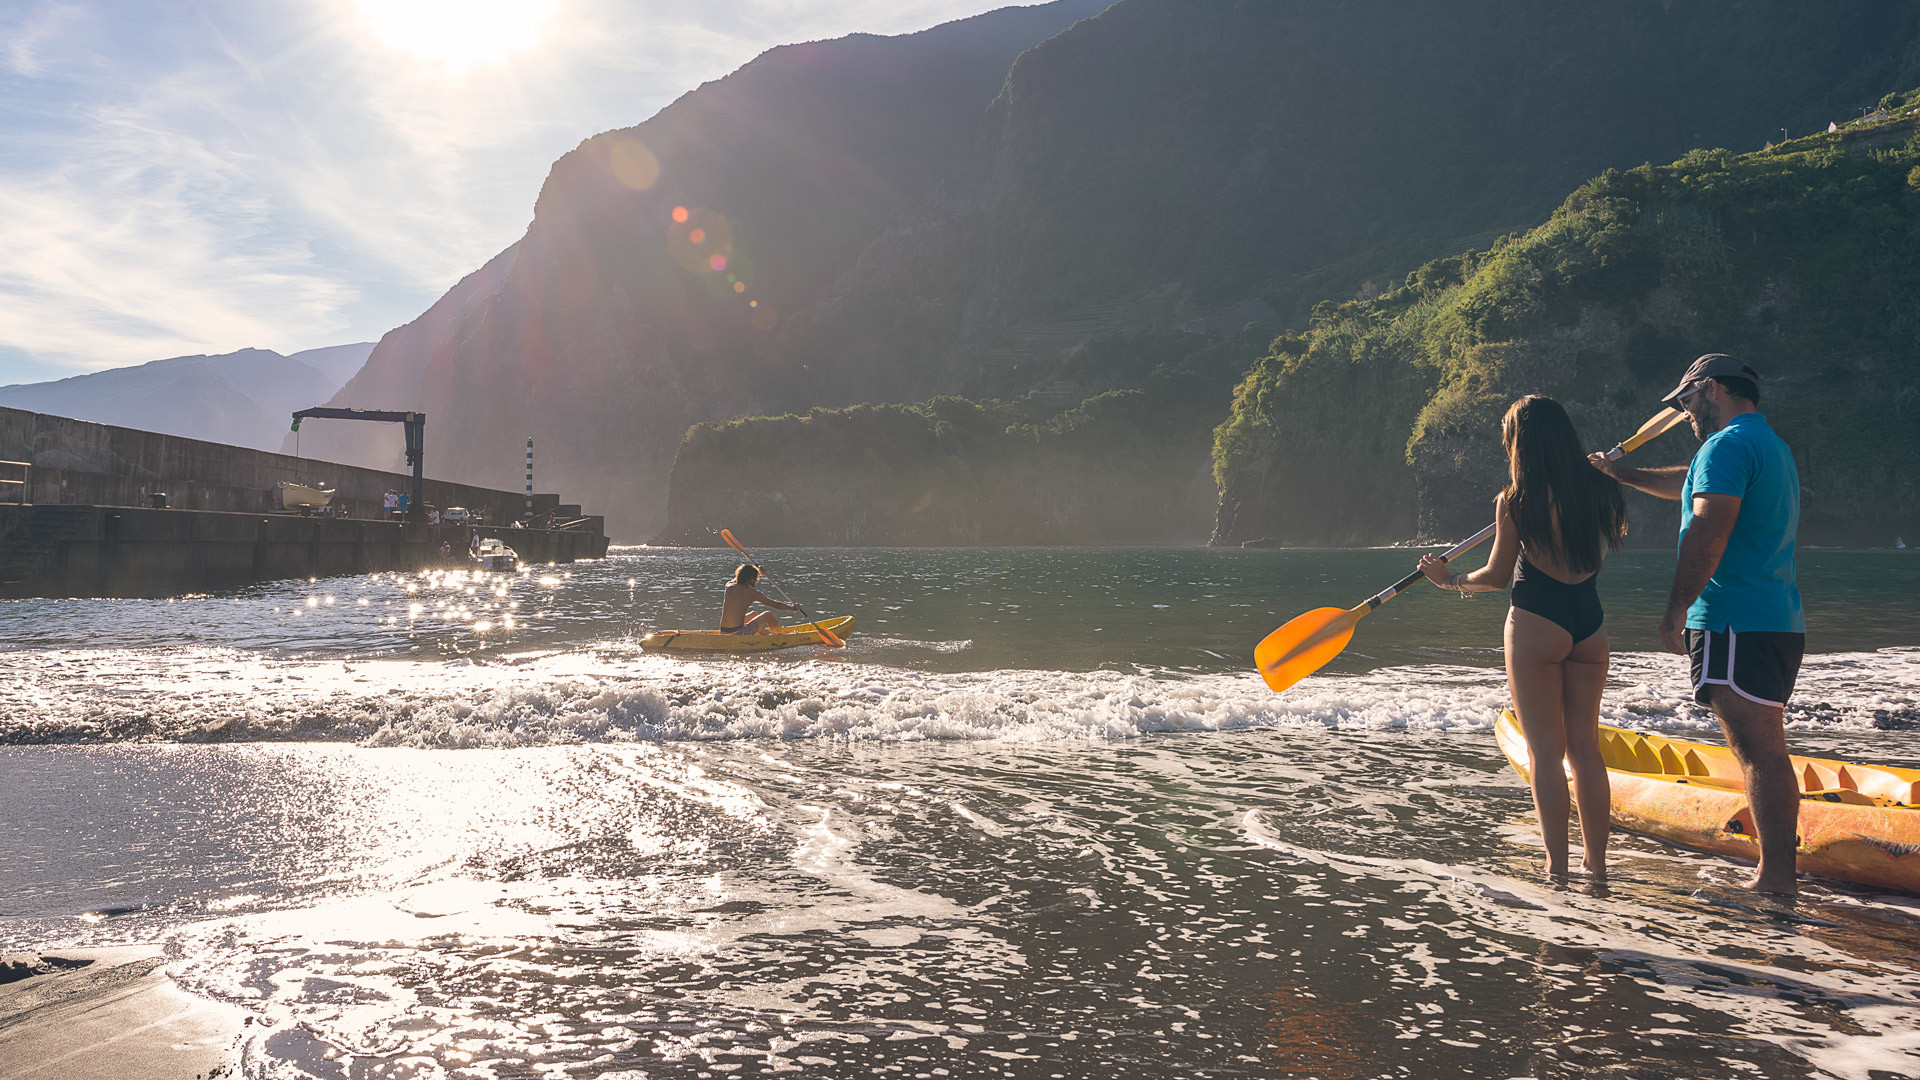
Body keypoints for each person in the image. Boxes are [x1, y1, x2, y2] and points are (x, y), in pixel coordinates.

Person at [1589, 354, 1804, 895]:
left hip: (1734, 618)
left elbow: (1707, 526)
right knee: (1765, 746)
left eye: (1685, 401)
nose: (1683, 413)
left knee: (1758, 752)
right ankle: (1778, 871)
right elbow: (1690, 484)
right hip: (1777, 618)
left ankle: (1775, 878)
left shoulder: (1725, 446)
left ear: (1709, 390)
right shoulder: (1766, 445)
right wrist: (1625, 474)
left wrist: (1676, 607)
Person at [1417, 396, 1628, 883]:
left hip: (1538, 621)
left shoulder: (1516, 499)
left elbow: (1494, 576)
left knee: (1545, 752)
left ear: (1522, 443)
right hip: (1590, 625)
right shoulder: (1600, 488)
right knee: (1585, 748)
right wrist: (1596, 473)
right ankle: (1597, 866)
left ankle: (1557, 867)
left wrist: (1447, 580)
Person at [720, 563, 798, 634]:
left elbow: (737, 578)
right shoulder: (751, 593)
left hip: (724, 631)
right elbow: (775, 604)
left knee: (754, 614)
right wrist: (793, 608)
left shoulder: (729, 585)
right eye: (755, 578)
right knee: (768, 615)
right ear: (749, 578)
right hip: (738, 633)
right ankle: (783, 637)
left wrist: (758, 571)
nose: (756, 580)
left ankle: (767, 635)